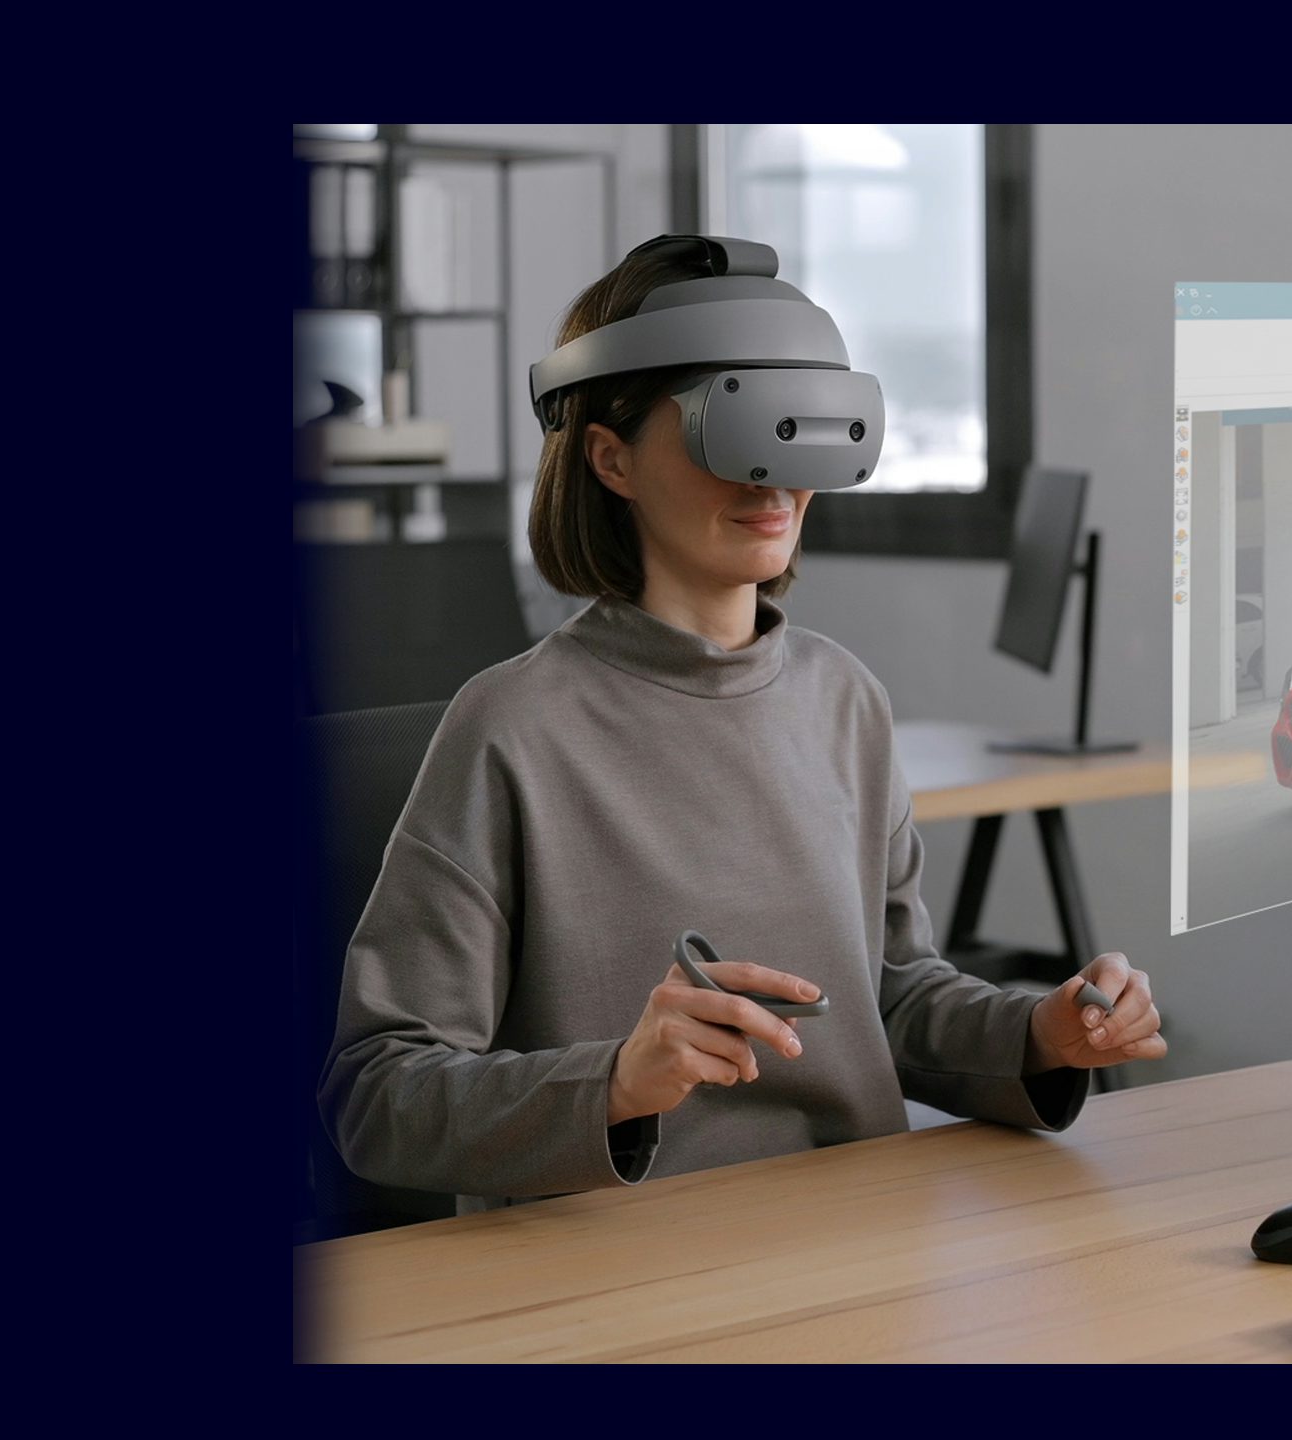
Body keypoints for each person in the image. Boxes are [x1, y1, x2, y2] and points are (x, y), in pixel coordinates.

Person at [319, 237, 1167, 1213]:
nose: (771, 482)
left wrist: (1043, 1034)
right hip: (619, 1275)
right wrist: (617, 1083)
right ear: (610, 458)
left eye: (800, 432)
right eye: (734, 431)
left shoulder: (844, 701)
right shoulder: (510, 730)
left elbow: (891, 999)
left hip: (852, 1245)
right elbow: (377, 1093)